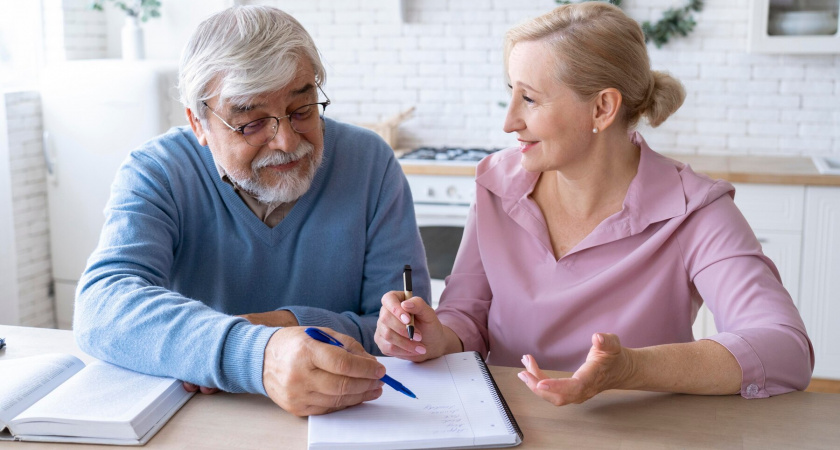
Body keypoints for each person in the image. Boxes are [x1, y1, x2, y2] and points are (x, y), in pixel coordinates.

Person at [375, 2, 813, 406]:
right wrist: (436, 337)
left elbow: (783, 347)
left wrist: (631, 369)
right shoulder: (497, 186)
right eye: (511, 92)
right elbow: (467, 317)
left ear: (602, 108)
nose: (509, 121)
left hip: (637, 432)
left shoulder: (694, 209)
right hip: (506, 422)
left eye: (529, 98)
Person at [73, 5, 430, 416]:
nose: (286, 142)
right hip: (201, 422)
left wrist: (282, 324)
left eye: (302, 110)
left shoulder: (370, 163)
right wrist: (255, 353)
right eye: (251, 122)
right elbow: (102, 306)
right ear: (199, 124)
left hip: (352, 417)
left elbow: (404, 331)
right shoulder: (159, 170)